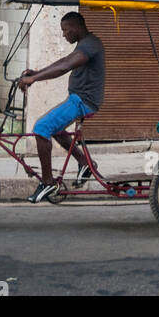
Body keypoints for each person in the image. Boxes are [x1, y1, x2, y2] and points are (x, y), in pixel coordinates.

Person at [19, 11, 106, 204]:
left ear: (75, 27)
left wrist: (34, 78)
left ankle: (48, 182)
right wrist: (37, 72)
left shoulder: (90, 45)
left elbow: (65, 65)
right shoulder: (84, 44)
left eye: (66, 31)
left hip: (82, 101)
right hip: (78, 99)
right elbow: (63, 62)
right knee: (56, 129)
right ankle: (84, 163)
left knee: (42, 128)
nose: (64, 35)